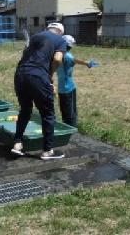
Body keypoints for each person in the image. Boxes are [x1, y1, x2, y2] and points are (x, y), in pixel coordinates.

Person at [11, 23, 67, 159]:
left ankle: (17, 143)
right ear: (60, 31)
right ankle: (47, 151)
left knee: (25, 109)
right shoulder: (60, 40)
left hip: (20, 74)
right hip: (38, 76)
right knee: (47, 113)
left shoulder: (35, 37)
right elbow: (58, 59)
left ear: (48, 29)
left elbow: (25, 54)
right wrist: (49, 75)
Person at [57, 35, 96, 128]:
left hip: (65, 88)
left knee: (67, 111)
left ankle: (70, 129)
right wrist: (87, 63)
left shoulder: (57, 55)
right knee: (70, 111)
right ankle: (71, 129)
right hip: (68, 88)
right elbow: (75, 60)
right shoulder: (66, 56)